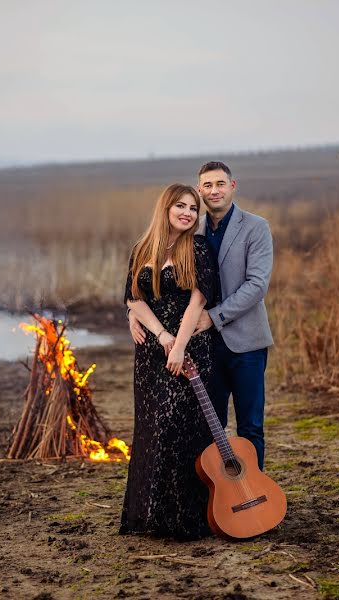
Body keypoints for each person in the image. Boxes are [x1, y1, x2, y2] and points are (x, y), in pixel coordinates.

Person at [129, 161, 273, 470]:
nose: (214, 190)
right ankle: (219, 502)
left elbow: (257, 285)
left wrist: (215, 316)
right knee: (210, 428)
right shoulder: (192, 229)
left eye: (220, 184)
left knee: (250, 427)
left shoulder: (255, 227)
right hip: (204, 347)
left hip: (245, 343)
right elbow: (157, 282)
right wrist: (135, 312)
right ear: (199, 191)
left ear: (232, 186)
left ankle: (254, 498)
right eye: (207, 185)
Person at [119, 183, 219, 540]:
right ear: (165, 208)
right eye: (181, 206)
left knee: (180, 427)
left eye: (193, 208)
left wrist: (179, 346)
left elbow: (198, 301)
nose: (188, 213)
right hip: (150, 351)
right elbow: (133, 298)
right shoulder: (142, 248)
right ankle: (150, 518)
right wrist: (162, 336)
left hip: (191, 346)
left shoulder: (199, 248)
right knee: (152, 428)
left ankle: (186, 520)